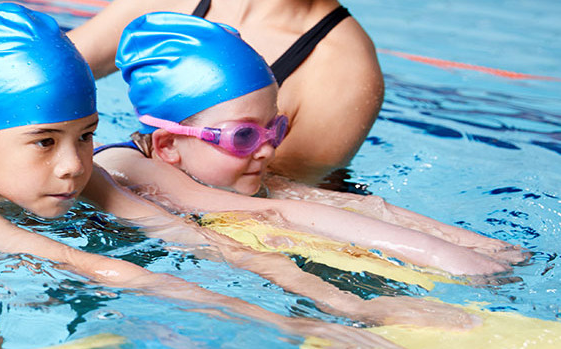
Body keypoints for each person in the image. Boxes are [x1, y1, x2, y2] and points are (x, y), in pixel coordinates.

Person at [0, 4, 397, 347]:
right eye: (46, 141)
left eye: (86, 136)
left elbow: (185, 234)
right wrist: (284, 322)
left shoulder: (72, 171)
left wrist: (342, 301)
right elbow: (74, 260)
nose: (74, 165)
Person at [91, 13, 525, 280]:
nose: (266, 150)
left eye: (274, 129)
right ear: (167, 145)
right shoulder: (128, 167)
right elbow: (274, 212)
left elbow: (314, 199)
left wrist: (473, 243)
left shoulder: (214, 169)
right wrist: (434, 254)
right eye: (244, 136)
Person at [0, 0, 381, 184]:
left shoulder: (344, 69)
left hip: (163, 202)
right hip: (65, 157)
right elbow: (42, 68)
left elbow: (270, 197)